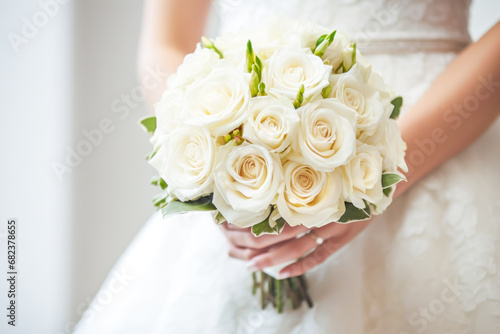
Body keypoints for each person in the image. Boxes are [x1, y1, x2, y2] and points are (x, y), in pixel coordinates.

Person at [75, 0, 500, 333]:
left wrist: (378, 171)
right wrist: (213, 177)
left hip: (444, 135)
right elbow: (165, 42)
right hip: (236, 127)